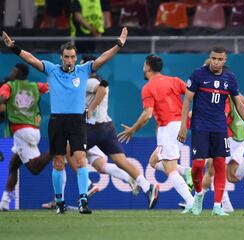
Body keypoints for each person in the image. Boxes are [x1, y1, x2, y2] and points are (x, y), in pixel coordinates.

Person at [1, 27, 128, 214]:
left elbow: (102, 58)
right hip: (57, 121)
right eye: (66, 57)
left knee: (81, 159)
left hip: (77, 122)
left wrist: (118, 45)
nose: (69, 60)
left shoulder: (83, 70)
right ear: (61, 57)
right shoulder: (51, 70)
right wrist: (14, 47)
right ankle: (60, 202)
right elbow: (31, 59)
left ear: (76, 58)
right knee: (58, 161)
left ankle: (83, 200)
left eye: (72, 57)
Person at [177, 46, 244, 216]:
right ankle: (199, 195)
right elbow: (187, 101)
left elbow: (239, 104)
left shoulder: (230, 78)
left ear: (225, 60)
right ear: (210, 58)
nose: (216, 62)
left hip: (219, 128)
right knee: (198, 165)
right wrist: (183, 126)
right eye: (213, 58)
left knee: (220, 165)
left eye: (219, 59)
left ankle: (217, 206)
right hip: (200, 126)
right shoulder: (198, 74)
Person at [82, 55, 159, 209]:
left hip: (91, 128)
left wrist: (90, 109)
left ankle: (88, 185)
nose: (80, 67)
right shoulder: (95, 80)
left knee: (68, 151)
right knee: (119, 162)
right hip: (107, 127)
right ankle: (147, 187)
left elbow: (101, 90)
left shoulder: (89, 82)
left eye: (82, 64)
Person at [118, 54, 194, 211]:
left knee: (169, 168)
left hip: (168, 127)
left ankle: (192, 203)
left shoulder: (148, 88)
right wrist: (190, 115)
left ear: (147, 67)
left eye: (144, 65)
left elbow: (147, 114)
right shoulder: (174, 80)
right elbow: (192, 95)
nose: (143, 68)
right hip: (181, 126)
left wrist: (133, 129)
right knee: (153, 162)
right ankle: (187, 172)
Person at [0, 63, 52, 211]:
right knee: (13, 165)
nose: (11, 72)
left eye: (13, 70)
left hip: (21, 131)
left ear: (19, 72)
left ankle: (56, 148)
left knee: (34, 168)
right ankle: (5, 201)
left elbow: (2, 98)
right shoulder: (35, 86)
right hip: (33, 129)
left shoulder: (10, 86)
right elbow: (50, 87)